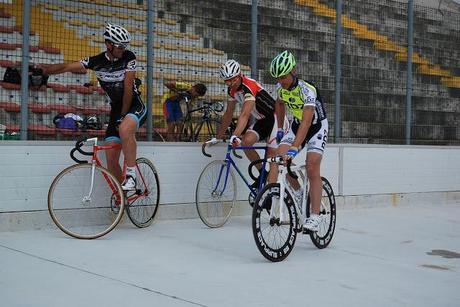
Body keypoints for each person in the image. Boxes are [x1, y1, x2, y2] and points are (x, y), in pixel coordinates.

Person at [43, 23, 147, 191]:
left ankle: (131, 175)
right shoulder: (96, 62)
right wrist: (44, 71)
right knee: (111, 159)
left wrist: (122, 116)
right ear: (109, 44)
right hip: (116, 110)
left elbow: (128, 89)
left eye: (125, 46)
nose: (123, 49)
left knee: (126, 129)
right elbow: (67, 67)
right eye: (120, 46)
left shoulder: (129, 57)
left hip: (134, 104)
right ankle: (123, 197)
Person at [269, 50, 328, 232]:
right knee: (279, 158)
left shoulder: (307, 90)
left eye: (284, 77)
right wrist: (280, 128)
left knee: (311, 166)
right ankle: (300, 191)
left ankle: (315, 216)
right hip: (296, 125)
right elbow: (279, 104)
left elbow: (307, 121)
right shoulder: (280, 89)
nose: (281, 82)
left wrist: (294, 147)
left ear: (293, 71)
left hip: (316, 127)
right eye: (278, 78)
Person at [210, 59, 289, 185]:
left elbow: (245, 114)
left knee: (272, 155)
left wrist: (234, 135)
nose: (231, 83)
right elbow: (228, 114)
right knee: (246, 142)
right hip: (262, 120)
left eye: (233, 79)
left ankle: (272, 192)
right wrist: (218, 137)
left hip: (276, 118)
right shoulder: (232, 91)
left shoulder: (249, 85)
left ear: (240, 75)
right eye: (227, 81)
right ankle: (263, 175)